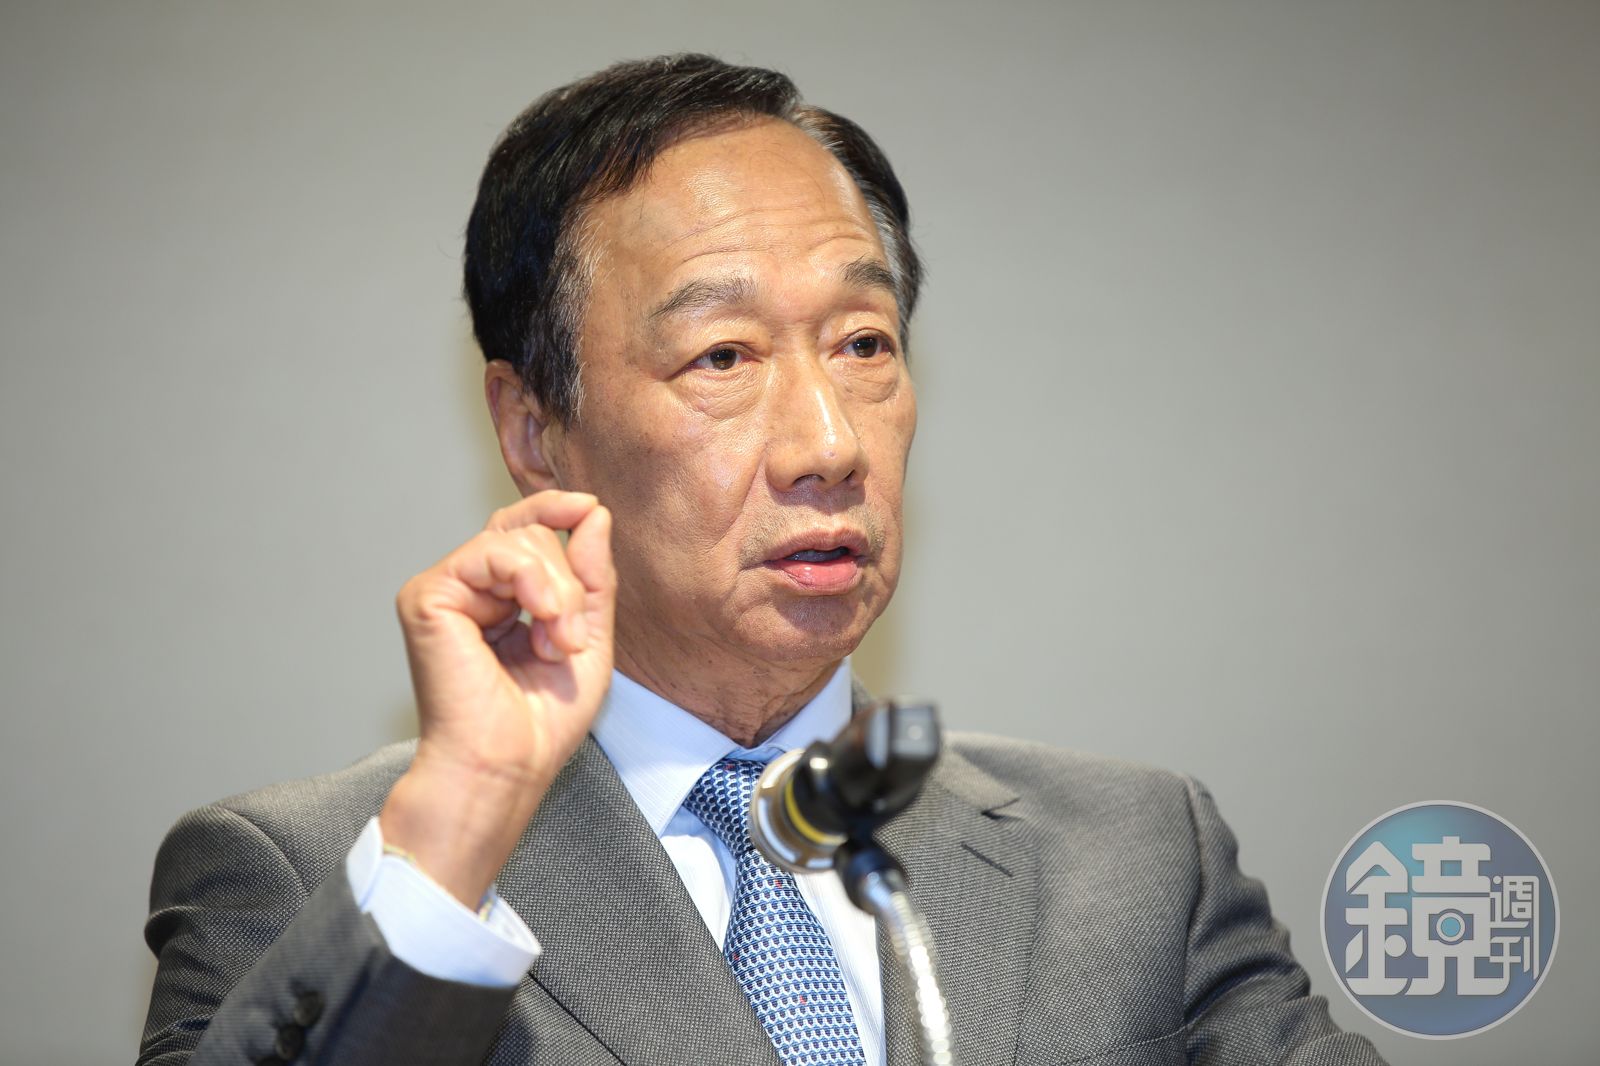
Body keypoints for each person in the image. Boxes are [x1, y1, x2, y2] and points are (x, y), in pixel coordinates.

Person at [138, 54, 1388, 1066]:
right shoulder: (317, 876)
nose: (830, 443)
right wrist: (459, 827)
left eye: (863, 344)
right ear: (533, 428)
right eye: (723, 357)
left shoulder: (1135, 855)